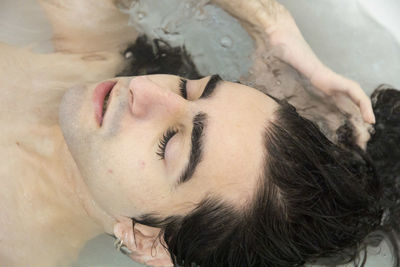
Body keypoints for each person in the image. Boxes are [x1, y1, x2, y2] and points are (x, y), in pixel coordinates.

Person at [1, 0, 396, 266]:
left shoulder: (17, 248)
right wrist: (269, 26)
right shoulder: (89, 60)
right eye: (189, 88)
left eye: (168, 142)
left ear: (145, 240)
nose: (144, 88)